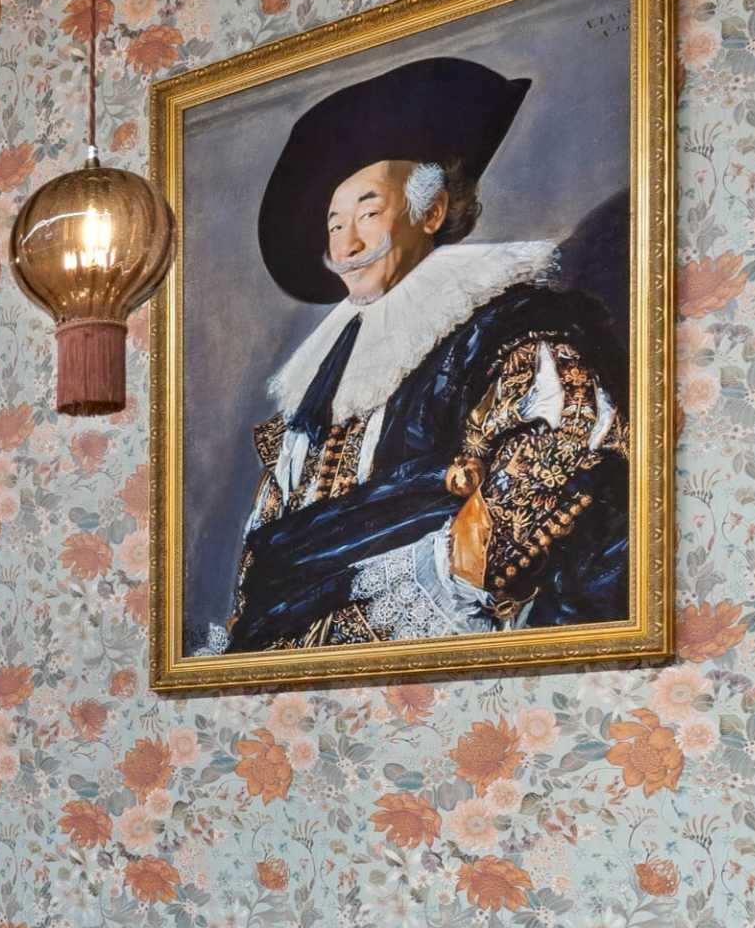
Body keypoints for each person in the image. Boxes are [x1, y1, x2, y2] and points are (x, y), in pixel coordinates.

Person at [221, 55, 631, 653]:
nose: (349, 242)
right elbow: (272, 534)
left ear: (432, 210)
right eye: (335, 224)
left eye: (368, 210)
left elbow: (559, 456)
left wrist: (408, 591)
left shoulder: (509, 326)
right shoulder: (322, 376)